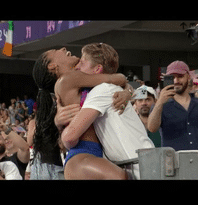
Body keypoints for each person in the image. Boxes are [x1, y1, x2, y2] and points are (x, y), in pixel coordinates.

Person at [33, 45, 132, 180]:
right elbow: (117, 79)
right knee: (119, 176)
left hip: (88, 155)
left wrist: (128, 91)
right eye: (56, 51)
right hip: (82, 155)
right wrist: (125, 86)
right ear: (52, 66)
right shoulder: (70, 78)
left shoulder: (74, 82)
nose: (63, 48)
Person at [59, 43, 153, 180]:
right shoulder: (109, 88)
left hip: (140, 168)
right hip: (141, 164)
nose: (77, 67)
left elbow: (70, 136)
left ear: (97, 69)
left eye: (83, 63)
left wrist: (62, 135)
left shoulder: (102, 90)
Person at [147, 60, 198, 178]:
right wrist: (160, 102)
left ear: (188, 77)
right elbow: (152, 128)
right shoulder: (161, 105)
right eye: (172, 77)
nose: (176, 81)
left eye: (180, 76)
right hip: (173, 169)